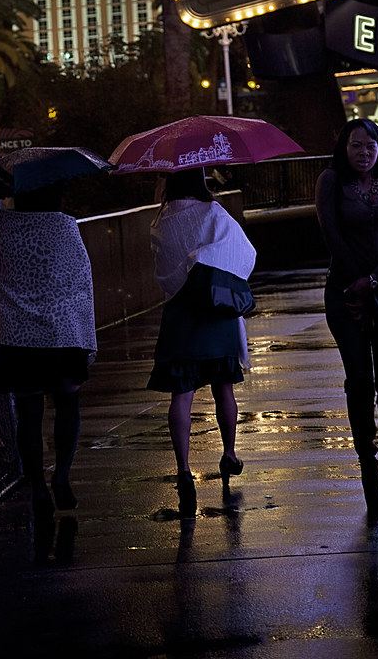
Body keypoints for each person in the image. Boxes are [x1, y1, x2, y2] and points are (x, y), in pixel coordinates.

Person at [0, 183, 97, 552]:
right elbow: (82, 281)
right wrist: (88, 337)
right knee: (68, 403)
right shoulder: (65, 225)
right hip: (63, 331)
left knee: (29, 413)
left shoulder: (2, 227)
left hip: (19, 335)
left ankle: (37, 485)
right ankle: (62, 474)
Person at [315, 119, 378, 515]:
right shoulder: (330, 182)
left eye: (371, 145)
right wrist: (356, 283)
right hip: (344, 294)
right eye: (356, 145)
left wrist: (372, 280)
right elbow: (331, 234)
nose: (364, 152)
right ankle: (367, 469)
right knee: (360, 381)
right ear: (345, 147)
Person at [148, 167, 256, 517]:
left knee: (182, 395)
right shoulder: (214, 212)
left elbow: (164, 272)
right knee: (224, 389)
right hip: (215, 312)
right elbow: (244, 253)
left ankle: (183, 471)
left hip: (181, 315)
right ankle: (229, 453)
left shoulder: (161, 222)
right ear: (200, 179)